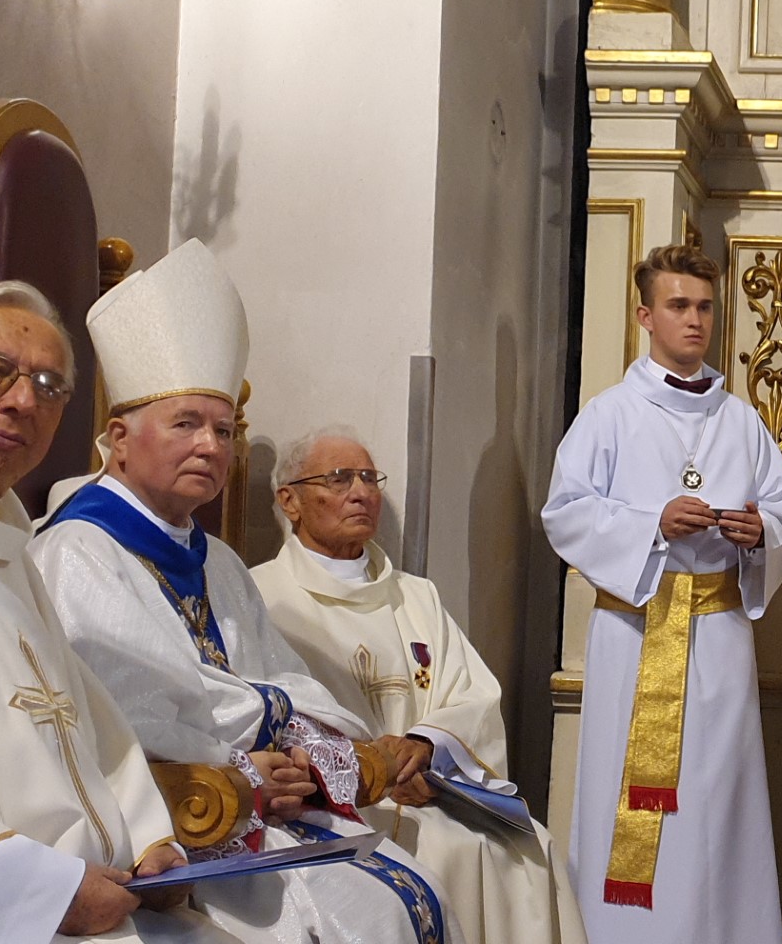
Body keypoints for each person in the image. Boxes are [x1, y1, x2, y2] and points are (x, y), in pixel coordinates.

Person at [30, 241, 465, 944]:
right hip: (163, 830)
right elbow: (118, 724)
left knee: (418, 894)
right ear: (119, 438)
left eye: (224, 429)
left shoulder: (220, 562)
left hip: (260, 805)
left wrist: (299, 757)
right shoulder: (77, 552)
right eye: (186, 424)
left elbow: (281, 683)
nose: (211, 446)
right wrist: (249, 767)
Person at [0, 282, 234, 943]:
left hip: (94, 904)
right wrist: (42, 895)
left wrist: (151, 840)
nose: (23, 401)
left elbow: (88, 725)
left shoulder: (4, 540)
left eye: (49, 387)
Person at [542, 244, 782, 944]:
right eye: (679, 305)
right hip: (635, 632)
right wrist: (651, 523)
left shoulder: (741, 420)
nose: (695, 320)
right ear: (645, 316)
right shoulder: (609, 414)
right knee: (631, 796)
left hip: (718, 637)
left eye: (705, 307)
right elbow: (565, 513)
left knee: (719, 799)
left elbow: (781, 515)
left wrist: (759, 534)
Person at [252, 428, 587, 944]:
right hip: (336, 804)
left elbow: (472, 695)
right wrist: (372, 770)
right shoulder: (262, 595)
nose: (361, 493)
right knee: (450, 852)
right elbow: (264, 714)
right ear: (289, 500)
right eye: (339, 479)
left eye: (369, 478)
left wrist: (427, 749)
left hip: (430, 792)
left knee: (527, 848)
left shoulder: (416, 595)